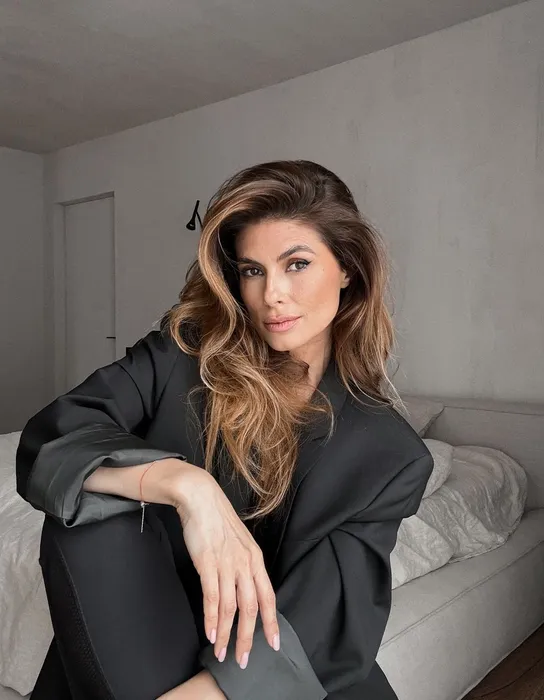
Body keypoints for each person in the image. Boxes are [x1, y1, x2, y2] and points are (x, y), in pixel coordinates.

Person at [16, 159, 434, 700]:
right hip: (142, 621)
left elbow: (324, 620)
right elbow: (55, 436)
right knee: (86, 509)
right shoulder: (181, 356)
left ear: (348, 268)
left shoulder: (390, 454)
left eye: (297, 264)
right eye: (253, 270)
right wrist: (188, 487)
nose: (272, 294)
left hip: (266, 662)